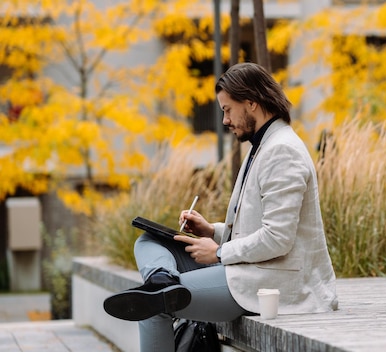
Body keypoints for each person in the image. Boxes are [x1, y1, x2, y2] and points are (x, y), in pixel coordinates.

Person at [103, 62, 339, 351]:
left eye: (227, 110)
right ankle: (162, 283)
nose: (225, 120)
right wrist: (212, 231)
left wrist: (219, 252)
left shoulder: (282, 151)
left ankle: (160, 293)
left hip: (273, 281)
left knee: (150, 308)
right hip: (251, 267)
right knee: (149, 241)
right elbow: (258, 227)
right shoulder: (262, 146)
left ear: (251, 103)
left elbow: (278, 239)